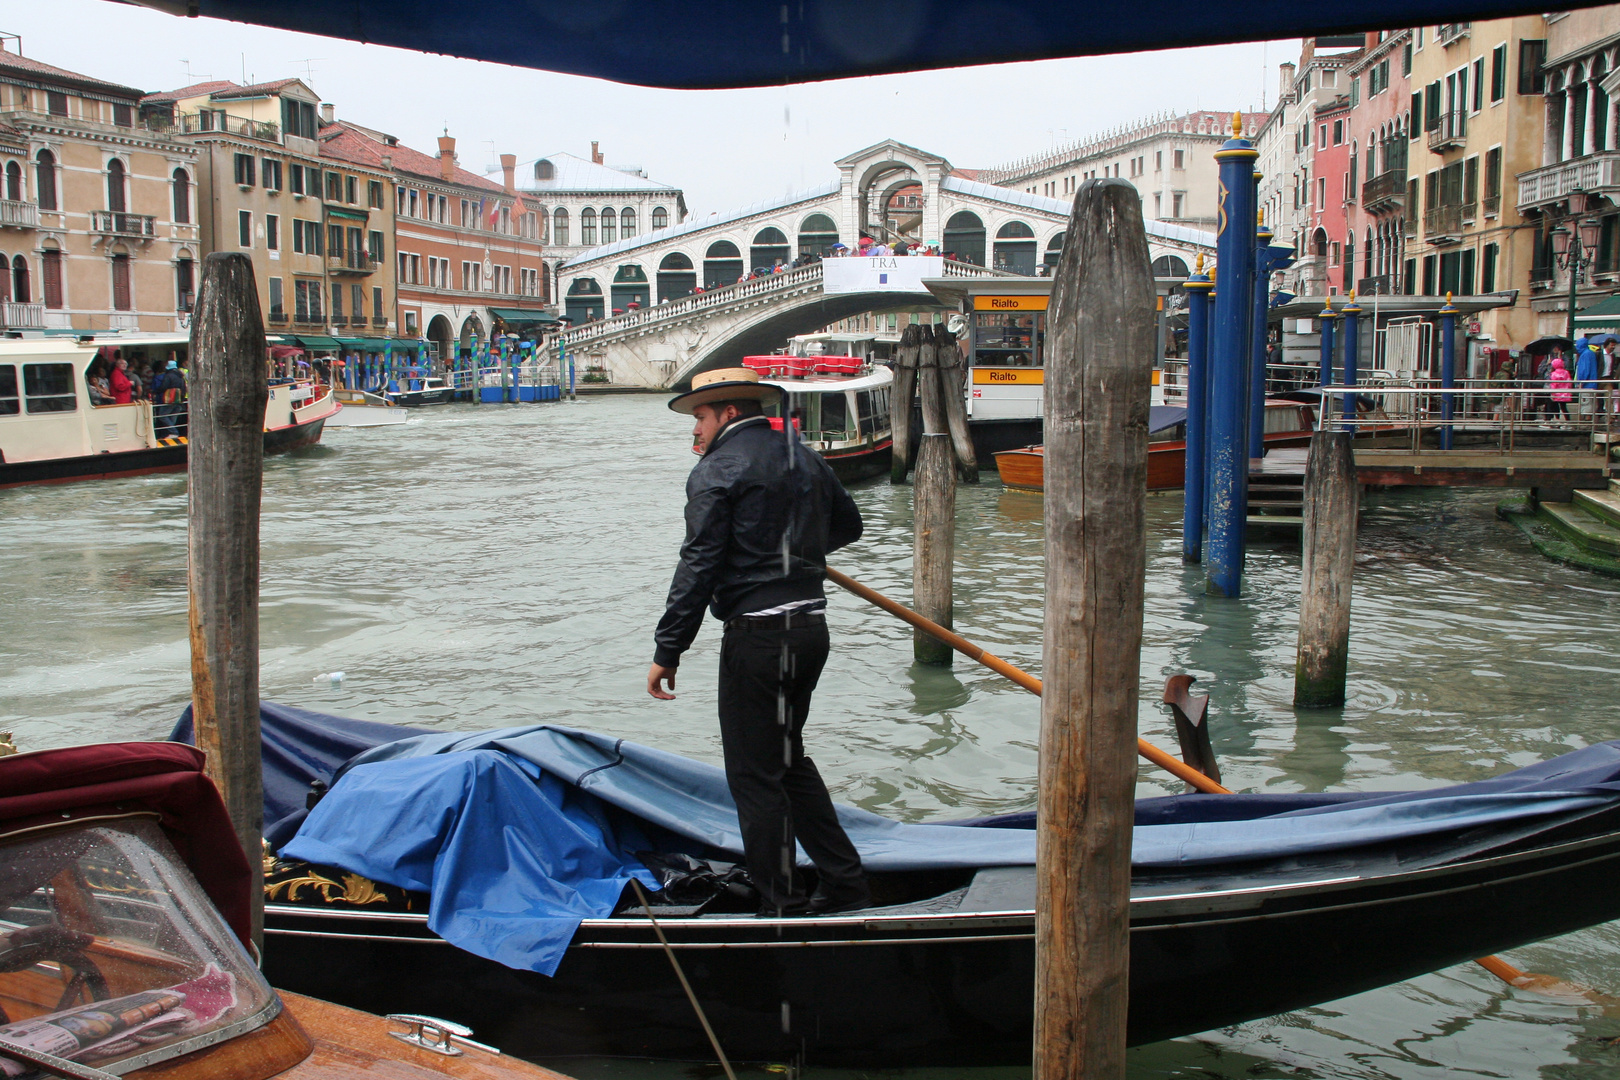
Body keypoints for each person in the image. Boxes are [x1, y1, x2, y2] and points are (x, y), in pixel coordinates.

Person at [648, 367, 870, 917]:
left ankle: (782, 904)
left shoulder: (716, 469)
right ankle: (845, 883)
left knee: (753, 774)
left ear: (727, 412)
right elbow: (849, 525)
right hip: (809, 629)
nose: (693, 431)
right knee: (788, 759)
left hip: (760, 637)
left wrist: (667, 651)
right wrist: (792, 549)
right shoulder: (803, 453)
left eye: (698, 417)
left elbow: (697, 565)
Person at [1549, 356, 1573, 421]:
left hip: (1557, 394)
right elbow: (1569, 382)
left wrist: (1552, 393)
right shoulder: (1566, 372)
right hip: (1565, 394)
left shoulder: (1554, 374)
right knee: (1564, 408)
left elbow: (1553, 384)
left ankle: (1557, 419)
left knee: (1555, 407)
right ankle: (1568, 420)